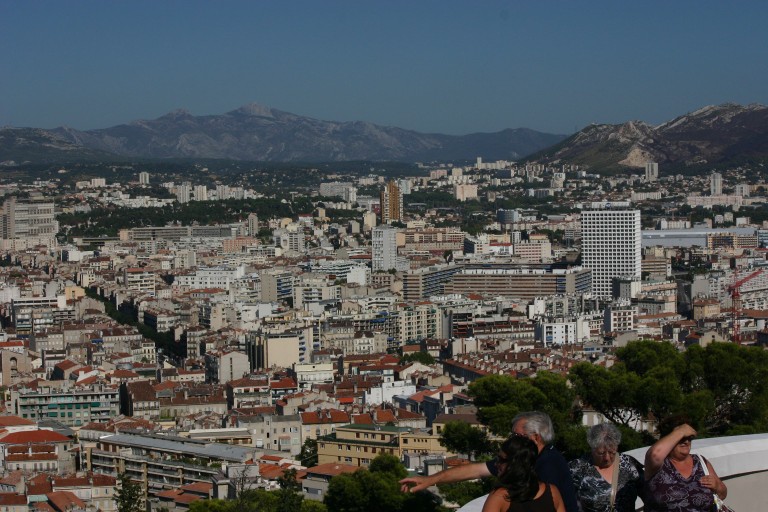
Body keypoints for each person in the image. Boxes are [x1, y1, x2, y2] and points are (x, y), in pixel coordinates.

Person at [399, 411, 579, 512]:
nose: (511, 439)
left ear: (536, 437)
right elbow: (475, 470)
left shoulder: (549, 465)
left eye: (516, 435)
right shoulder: (522, 460)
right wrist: (430, 480)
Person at [643, 421, 727, 512]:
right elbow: (655, 454)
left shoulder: (700, 461)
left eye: (689, 438)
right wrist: (681, 431)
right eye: (681, 438)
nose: (686, 442)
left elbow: (722, 494)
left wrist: (717, 486)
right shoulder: (658, 465)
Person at [568, 423, 644, 512]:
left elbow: (649, 495)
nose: (607, 458)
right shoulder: (576, 468)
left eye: (612, 452)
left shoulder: (629, 464)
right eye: (601, 453)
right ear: (592, 448)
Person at [483, 434, 566, 512]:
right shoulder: (552, 492)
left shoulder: (500, 496)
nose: (496, 464)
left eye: (501, 459)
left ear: (515, 464)